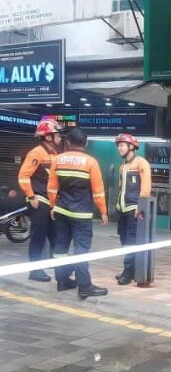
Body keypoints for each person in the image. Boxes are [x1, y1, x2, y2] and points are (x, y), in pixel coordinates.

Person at [46, 128, 108, 299]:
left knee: (60, 248)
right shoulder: (90, 162)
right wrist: (103, 211)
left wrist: (52, 206)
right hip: (81, 214)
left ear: (68, 142)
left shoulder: (58, 159)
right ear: (86, 143)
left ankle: (62, 280)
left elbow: (52, 187)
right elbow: (98, 191)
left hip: (61, 211)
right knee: (81, 249)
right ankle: (84, 286)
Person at [18, 119, 63, 282]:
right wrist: (31, 197)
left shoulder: (54, 154)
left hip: (51, 203)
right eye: (56, 134)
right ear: (48, 137)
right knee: (39, 237)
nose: (59, 137)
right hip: (39, 200)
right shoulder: (36, 153)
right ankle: (35, 271)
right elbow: (23, 176)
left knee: (55, 236)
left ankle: (60, 270)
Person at [113, 134, 152, 286]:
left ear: (131, 146)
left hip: (133, 209)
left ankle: (128, 273)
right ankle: (129, 270)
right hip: (122, 209)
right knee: (125, 241)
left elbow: (146, 186)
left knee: (131, 241)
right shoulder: (123, 166)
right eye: (118, 145)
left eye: (122, 145)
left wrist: (140, 206)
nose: (119, 148)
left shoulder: (141, 163)